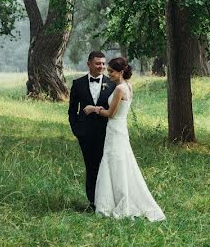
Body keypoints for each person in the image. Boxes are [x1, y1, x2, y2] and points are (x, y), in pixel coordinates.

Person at [93, 57, 165, 221]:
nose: (108, 73)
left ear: (120, 72)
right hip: (120, 128)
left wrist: (95, 109)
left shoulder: (119, 89)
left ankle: (117, 203)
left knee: (115, 163)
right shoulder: (128, 86)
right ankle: (116, 199)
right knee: (121, 162)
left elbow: (110, 113)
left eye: (111, 71)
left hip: (115, 128)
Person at [68, 51, 115, 211]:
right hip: (85, 133)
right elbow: (72, 110)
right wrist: (77, 130)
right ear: (89, 64)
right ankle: (93, 201)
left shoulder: (112, 84)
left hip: (107, 132)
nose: (101, 66)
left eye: (103, 63)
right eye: (97, 63)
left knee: (105, 165)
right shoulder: (78, 84)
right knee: (91, 166)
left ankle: (108, 200)